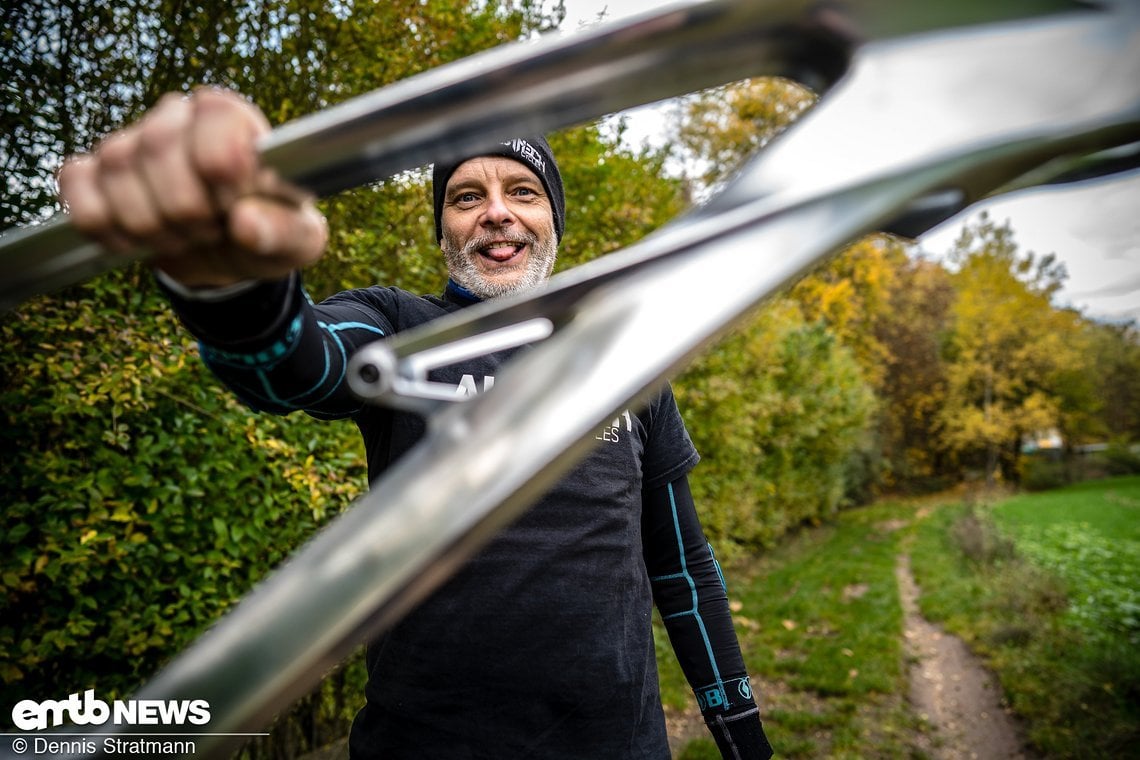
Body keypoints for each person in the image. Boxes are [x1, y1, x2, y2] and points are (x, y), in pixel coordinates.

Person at [58, 87, 774, 759]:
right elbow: (298, 366)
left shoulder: (622, 354)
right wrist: (236, 291)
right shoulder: (402, 328)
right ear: (444, 228)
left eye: (521, 191)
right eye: (467, 196)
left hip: (615, 743)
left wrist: (741, 730)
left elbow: (681, 565)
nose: (495, 212)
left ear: (554, 219)